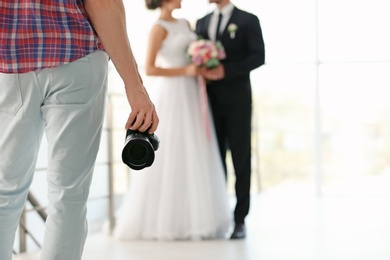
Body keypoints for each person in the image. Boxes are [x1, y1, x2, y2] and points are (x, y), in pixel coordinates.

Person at [0, 0, 158, 259]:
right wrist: (134, 86)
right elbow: (103, 4)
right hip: (76, 57)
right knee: (68, 195)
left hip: (10, 62)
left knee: (4, 192)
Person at [113, 0, 231, 240]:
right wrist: (185, 71)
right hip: (172, 93)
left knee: (196, 150)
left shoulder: (186, 23)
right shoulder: (158, 28)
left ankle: (196, 216)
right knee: (172, 151)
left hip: (192, 93)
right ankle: (163, 221)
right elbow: (151, 68)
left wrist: (201, 64)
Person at [195, 0, 265, 239]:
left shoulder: (248, 19)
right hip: (208, 101)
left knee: (241, 158)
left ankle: (239, 220)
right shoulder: (202, 22)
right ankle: (218, 214)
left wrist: (227, 70)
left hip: (238, 101)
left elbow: (258, 56)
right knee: (214, 159)